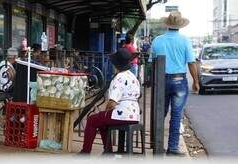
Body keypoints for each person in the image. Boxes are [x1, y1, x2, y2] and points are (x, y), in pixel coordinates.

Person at [151, 11, 199, 156]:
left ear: (167, 25)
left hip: (160, 80)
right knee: (176, 115)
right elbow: (191, 62)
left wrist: (153, 81)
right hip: (179, 81)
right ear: (179, 26)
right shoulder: (184, 40)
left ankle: (156, 145)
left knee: (160, 113)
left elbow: (151, 63)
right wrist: (196, 81)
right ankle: (172, 148)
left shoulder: (157, 40)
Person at [80, 48, 141, 154]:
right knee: (102, 120)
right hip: (134, 114)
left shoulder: (119, 78)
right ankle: (107, 151)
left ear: (116, 65)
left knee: (91, 120)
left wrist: (105, 111)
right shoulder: (133, 77)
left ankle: (85, 152)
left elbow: (112, 102)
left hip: (121, 115)